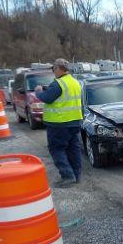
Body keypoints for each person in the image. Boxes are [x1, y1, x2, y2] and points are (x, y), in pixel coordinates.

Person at [35, 59, 83, 188]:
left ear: (58, 68)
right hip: (74, 121)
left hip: (59, 123)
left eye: (53, 69)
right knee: (74, 149)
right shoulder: (75, 82)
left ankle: (68, 176)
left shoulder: (58, 84)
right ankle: (76, 175)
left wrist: (38, 91)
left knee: (57, 149)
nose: (53, 71)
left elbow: (46, 98)